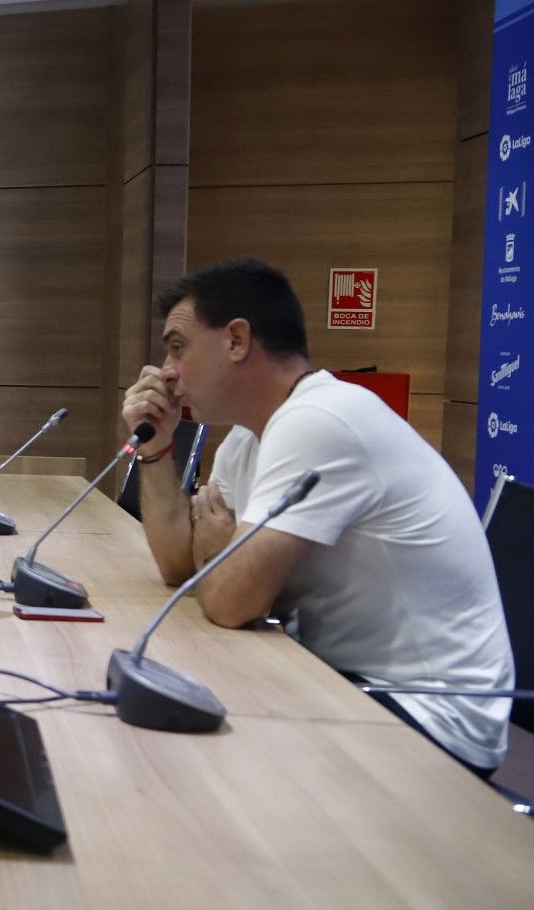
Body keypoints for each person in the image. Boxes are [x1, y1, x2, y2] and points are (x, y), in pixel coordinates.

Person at [123, 257, 515, 777]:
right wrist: (157, 448)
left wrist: (217, 558)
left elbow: (229, 601)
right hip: (345, 679)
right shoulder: (250, 436)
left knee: (198, 763)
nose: (165, 372)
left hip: (432, 716)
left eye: (177, 348)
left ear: (237, 340)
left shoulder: (321, 421)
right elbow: (181, 571)